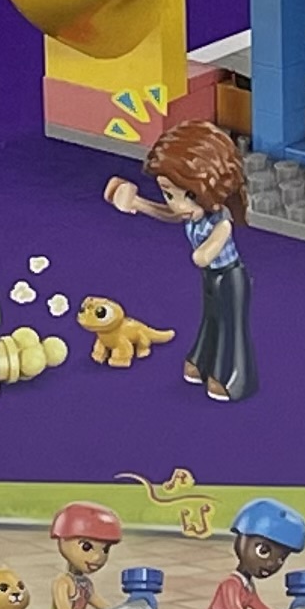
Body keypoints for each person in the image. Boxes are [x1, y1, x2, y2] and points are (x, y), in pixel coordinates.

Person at [106, 119, 256, 401]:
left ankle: (234, 378)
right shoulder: (190, 213)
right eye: (168, 194)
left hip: (230, 278)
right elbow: (169, 214)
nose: (178, 205)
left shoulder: (221, 220)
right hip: (211, 277)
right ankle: (202, 362)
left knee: (231, 327)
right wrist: (137, 203)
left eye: (188, 195)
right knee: (211, 319)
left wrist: (202, 253)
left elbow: (207, 251)